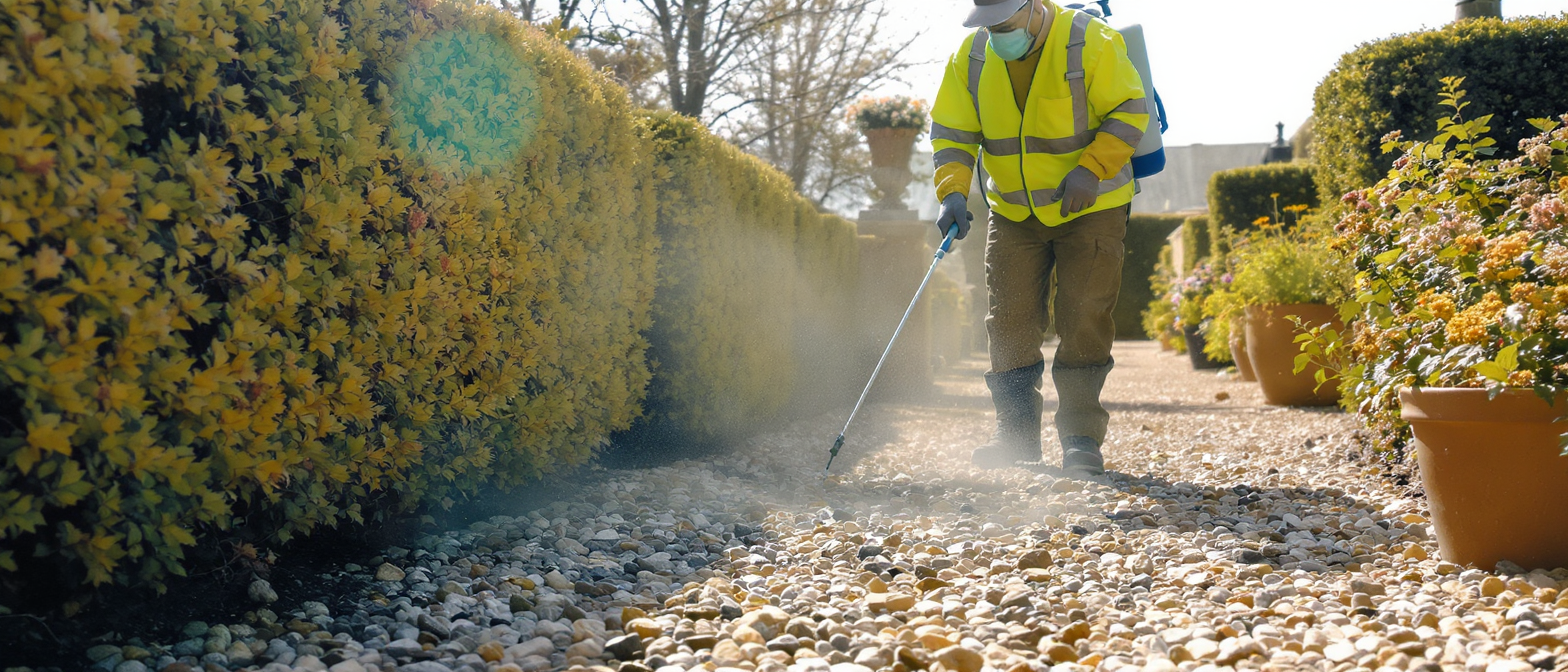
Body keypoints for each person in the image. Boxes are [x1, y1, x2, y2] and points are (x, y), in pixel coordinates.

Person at [929, 0, 1149, 477]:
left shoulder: (1088, 40)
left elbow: (1131, 109)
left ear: (1032, 8)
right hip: (1012, 211)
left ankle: (1081, 439)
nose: (995, 34)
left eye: (1004, 24)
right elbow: (952, 133)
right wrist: (951, 193)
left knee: (1084, 316)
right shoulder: (971, 57)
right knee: (1008, 320)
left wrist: (1092, 170)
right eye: (987, 26)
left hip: (1092, 207)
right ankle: (1016, 438)